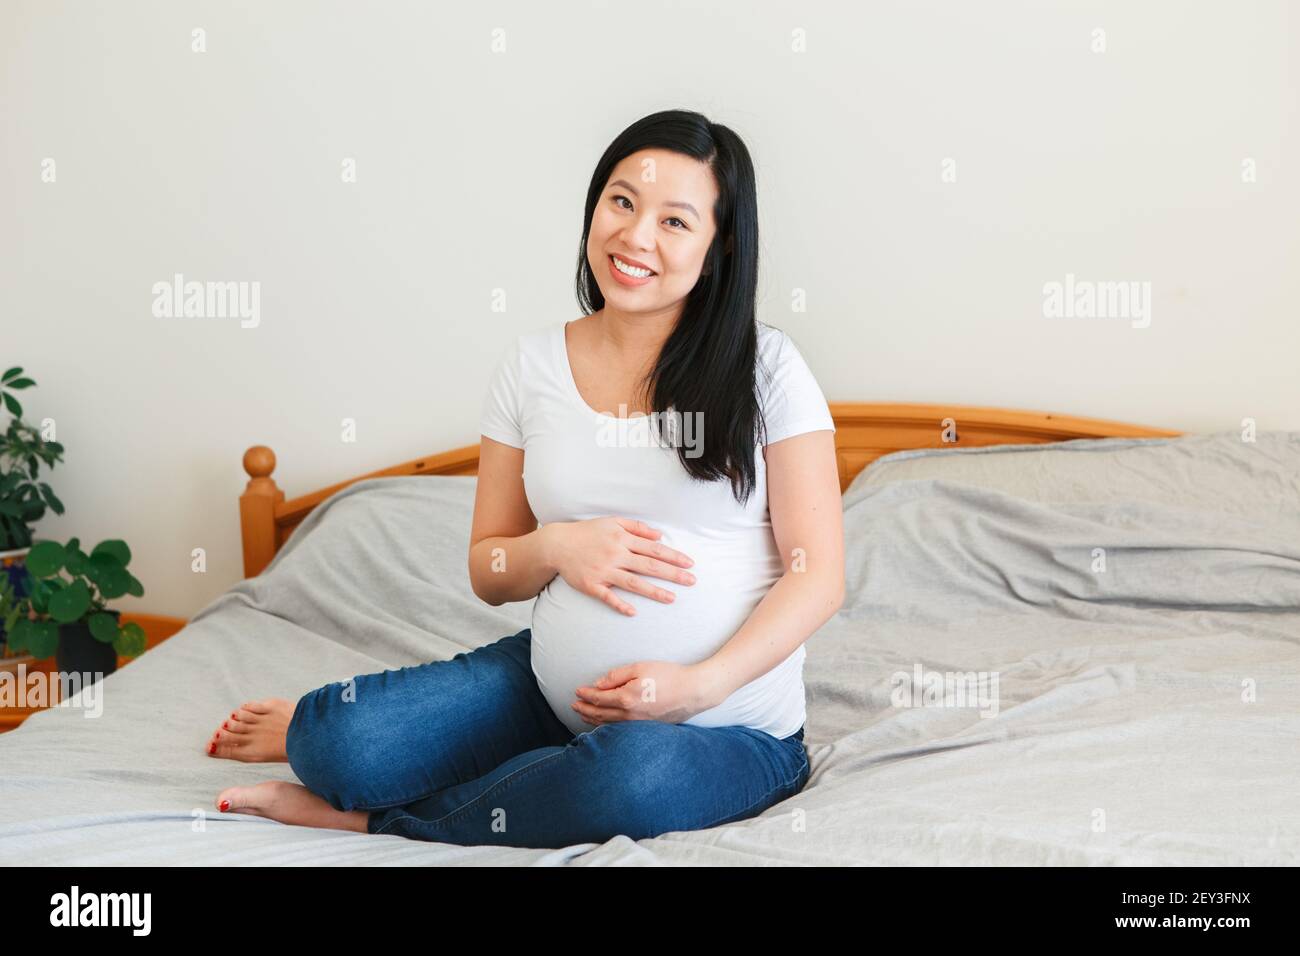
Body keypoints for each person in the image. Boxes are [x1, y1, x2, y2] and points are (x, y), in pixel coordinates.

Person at [206, 109, 845, 848]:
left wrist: (697, 686)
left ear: (720, 243)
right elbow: (491, 567)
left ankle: (381, 819)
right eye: (622, 202)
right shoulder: (530, 367)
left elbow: (818, 575)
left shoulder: (770, 369)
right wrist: (556, 548)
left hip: (725, 726)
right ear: (594, 206)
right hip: (550, 691)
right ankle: (512, 767)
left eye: (675, 221)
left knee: (627, 781)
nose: (635, 238)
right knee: (335, 744)